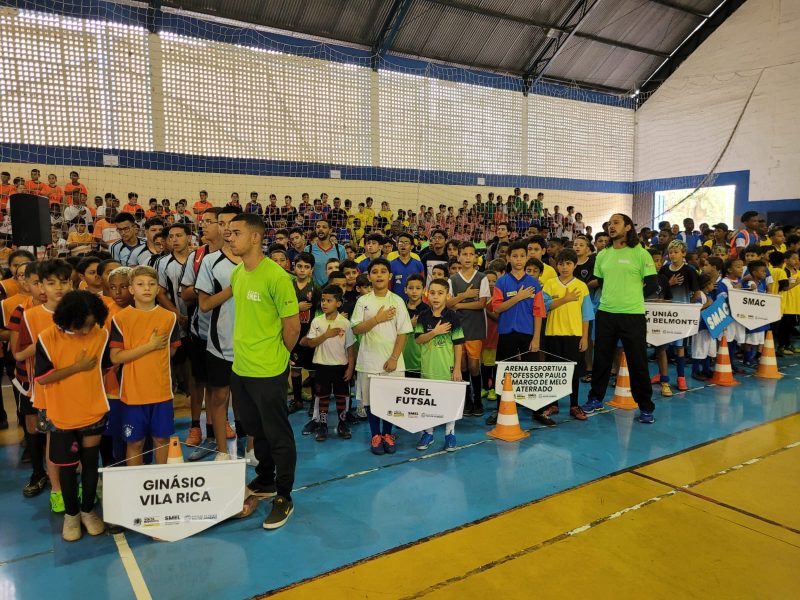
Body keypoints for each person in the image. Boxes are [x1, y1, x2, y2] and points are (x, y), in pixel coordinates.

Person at [226, 213, 300, 529]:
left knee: (278, 434)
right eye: (228, 233)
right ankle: (266, 480)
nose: (230, 237)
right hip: (241, 368)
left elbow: (292, 327)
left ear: (255, 237)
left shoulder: (278, 277)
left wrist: (279, 358)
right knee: (256, 429)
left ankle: (284, 495)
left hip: (268, 370)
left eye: (236, 232)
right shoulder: (238, 274)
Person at [34, 290, 110, 541]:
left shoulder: (102, 334)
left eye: (91, 324)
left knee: (90, 464)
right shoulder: (47, 338)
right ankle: (72, 515)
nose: (88, 330)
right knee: (66, 469)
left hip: (93, 412)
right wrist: (76, 368)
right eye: (83, 325)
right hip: (62, 417)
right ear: (69, 318)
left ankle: (88, 511)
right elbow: (43, 378)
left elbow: (107, 364)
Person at [582, 214, 658, 424]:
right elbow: (603, 282)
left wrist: (632, 298)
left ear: (627, 227)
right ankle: (595, 398)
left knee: (638, 362)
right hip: (606, 313)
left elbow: (652, 284)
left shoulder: (640, 254)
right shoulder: (603, 255)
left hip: (632, 315)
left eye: (616, 223)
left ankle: (645, 407)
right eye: (609, 223)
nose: (611, 226)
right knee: (601, 359)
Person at [109, 266, 181, 465]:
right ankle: (136, 487)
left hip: (162, 393)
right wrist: (150, 347)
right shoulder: (120, 319)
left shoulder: (169, 317)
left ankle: (159, 484)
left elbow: (172, 349)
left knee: (161, 440)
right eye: (140, 284)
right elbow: (115, 357)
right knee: (135, 442)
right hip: (132, 394)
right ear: (131, 289)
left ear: (158, 288)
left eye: (151, 284)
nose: (146, 288)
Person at [351, 258, 412, 455]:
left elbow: (403, 332)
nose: (379, 275)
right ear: (369, 277)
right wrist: (377, 319)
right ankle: (375, 434)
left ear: (390, 276)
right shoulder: (363, 301)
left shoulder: (398, 301)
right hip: (369, 360)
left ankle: (387, 434)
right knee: (370, 401)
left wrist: (394, 358)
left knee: (391, 400)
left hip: (392, 362)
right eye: (375, 272)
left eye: (383, 271)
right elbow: (357, 328)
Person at [195, 207, 242, 459]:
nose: (225, 228)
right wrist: (232, 289)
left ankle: (253, 448)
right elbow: (204, 305)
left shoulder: (256, 261)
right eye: (221, 223)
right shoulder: (211, 262)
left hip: (252, 344)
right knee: (220, 395)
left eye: (230, 223)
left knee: (248, 400)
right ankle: (222, 451)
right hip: (220, 343)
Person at [541, 249, 592, 422]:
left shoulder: (581, 286)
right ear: (556, 265)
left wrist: (584, 337)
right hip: (553, 333)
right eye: (561, 264)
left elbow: (586, 315)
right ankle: (553, 403)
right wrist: (565, 299)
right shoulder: (549, 284)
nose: (564, 267)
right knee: (554, 371)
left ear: (575, 265)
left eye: (568, 263)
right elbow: (545, 307)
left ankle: (574, 405)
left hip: (574, 335)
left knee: (574, 372)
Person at [414, 278, 464, 451]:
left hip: (447, 370)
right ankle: (428, 433)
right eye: (433, 293)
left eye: (440, 293)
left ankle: (450, 434)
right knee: (428, 402)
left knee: (448, 402)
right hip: (428, 369)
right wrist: (435, 332)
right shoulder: (423, 316)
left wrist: (457, 368)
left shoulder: (453, 317)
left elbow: (458, 344)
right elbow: (419, 339)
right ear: (428, 295)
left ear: (447, 295)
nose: (436, 297)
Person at [301, 284, 355, 441]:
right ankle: (322, 425)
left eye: (329, 300)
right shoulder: (317, 322)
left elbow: (350, 349)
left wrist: (350, 368)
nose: (324, 303)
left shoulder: (345, 323)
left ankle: (342, 423)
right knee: (322, 397)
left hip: (341, 366)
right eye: (323, 300)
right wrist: (326, 335)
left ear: (338, 303)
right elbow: (310, 343)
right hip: (322, 366)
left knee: (342, 396)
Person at [447, 242, 489, 416]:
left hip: (475, 326)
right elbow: (448, 304)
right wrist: (464, 296)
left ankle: (478, 400)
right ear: (459, 256)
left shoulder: (482, 277)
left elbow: (482, 304)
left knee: (474, 365)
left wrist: (460, 305)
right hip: (457, 327)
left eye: (471, 254)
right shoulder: (453, 279)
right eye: (464, 254)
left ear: (475, 257)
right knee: (461, 364)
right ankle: (467, 400)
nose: (467, 257)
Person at [288, 252, 320, 416]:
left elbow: (321, 312)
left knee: (313, 370)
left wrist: (313, 333)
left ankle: (314, 402)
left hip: (310, 336)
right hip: (293, 335)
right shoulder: (288, 286)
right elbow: (282, 308)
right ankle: (297, 399)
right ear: (294, 267)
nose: (302, 270)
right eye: (299, 266)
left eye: (306, 267)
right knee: (295, 370)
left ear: (311, 270)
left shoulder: (316, 289)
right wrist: (296, 307)